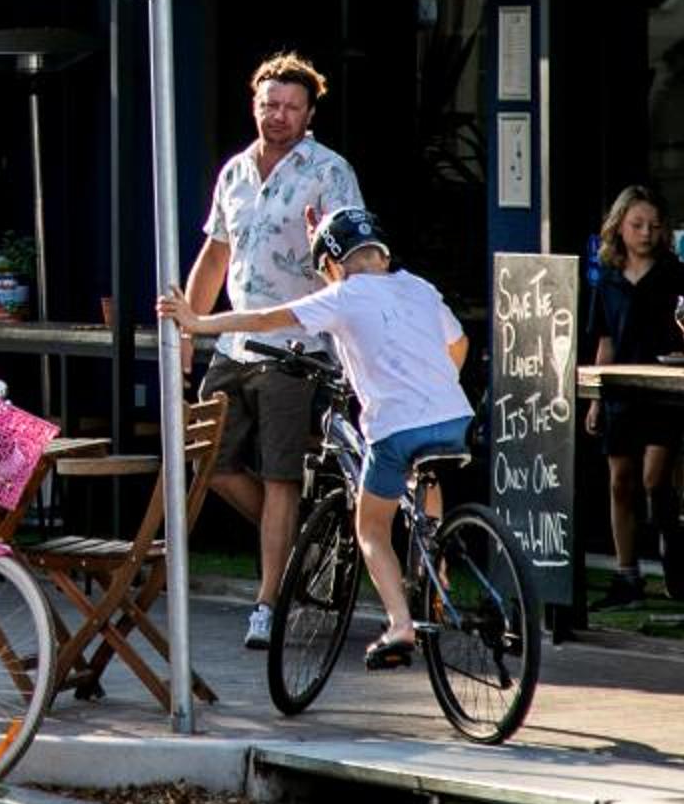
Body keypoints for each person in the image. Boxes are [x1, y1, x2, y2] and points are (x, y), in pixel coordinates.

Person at [161, 208, 471, 670]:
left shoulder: (343, 295)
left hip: (395, 425)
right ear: (383, 256)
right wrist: (435, 384)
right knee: (423, 478)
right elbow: (459, 343)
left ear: (332, 265)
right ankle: (435, 570)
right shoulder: (419, 287)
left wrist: (197, 322)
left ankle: (400, 625)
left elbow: (266, 319)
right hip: (454, 417)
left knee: (371, 529)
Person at [176, 53, 364, 651]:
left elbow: (355, 261)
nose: (278, 115)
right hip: (235, 340)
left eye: (290, 106)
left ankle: (267, 602)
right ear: (254, 106)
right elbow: (215, 254)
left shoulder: (329, 171)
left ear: (309, 113)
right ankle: (304, 544)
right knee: (210, 461)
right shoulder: (234, 171)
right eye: (269, 104)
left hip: (297, 344)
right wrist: (189, 329)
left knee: (282, 471)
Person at [583, 185, 684, 607]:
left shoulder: (675, 274)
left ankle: (671, 548)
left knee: (656, 477)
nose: (646, 233)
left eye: (653, 225)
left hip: (663, 389)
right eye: (637, 225)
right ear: (620, 227)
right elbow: (605, 340)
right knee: (621, 480)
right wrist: (596, 398)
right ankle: (627, 572)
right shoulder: (608, 277)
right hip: (620, 389)